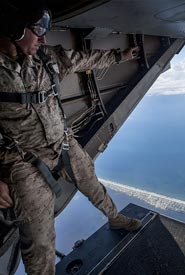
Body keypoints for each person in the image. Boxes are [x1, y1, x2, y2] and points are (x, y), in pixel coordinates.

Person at [0, 4, 141, 275]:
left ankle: (114, 219)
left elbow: (83, 59)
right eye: (38, 30)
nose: (43, 38)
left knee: (91, 183)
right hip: (21, 160)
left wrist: (119, 56)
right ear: (16, 29)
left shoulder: (45, 57)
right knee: (39, 239)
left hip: (62, 143)